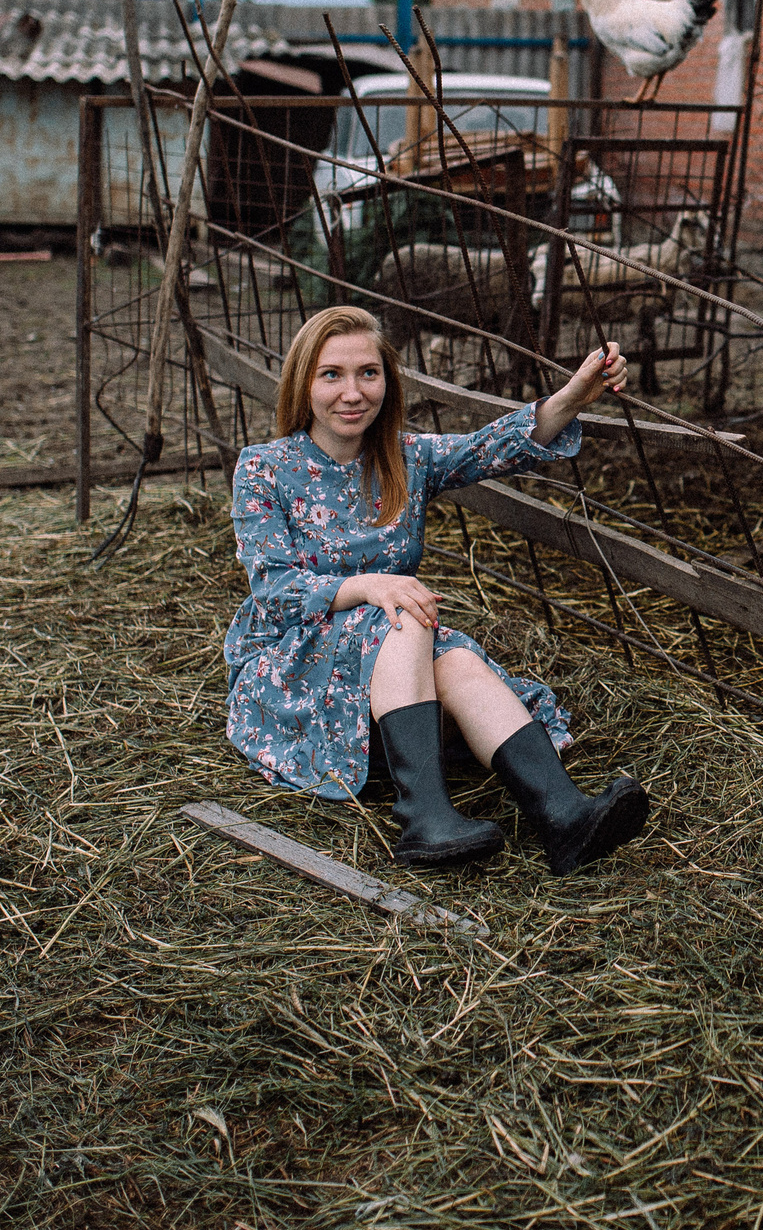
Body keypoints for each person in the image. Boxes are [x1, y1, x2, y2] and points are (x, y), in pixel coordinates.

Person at [223, 304, 649, 875]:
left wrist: (573, 395)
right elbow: (274, 590)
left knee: (457, 662)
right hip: (292, 665)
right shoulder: (265, 468)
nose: (352, 392)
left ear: (387, 381)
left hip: (393, 655)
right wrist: (372, 585)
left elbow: (494, 446)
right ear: (303, 383)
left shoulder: (405, 458)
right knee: (403, 615)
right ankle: (424, 816)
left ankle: (564, 815)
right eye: (332, 375)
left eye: (368, 374)